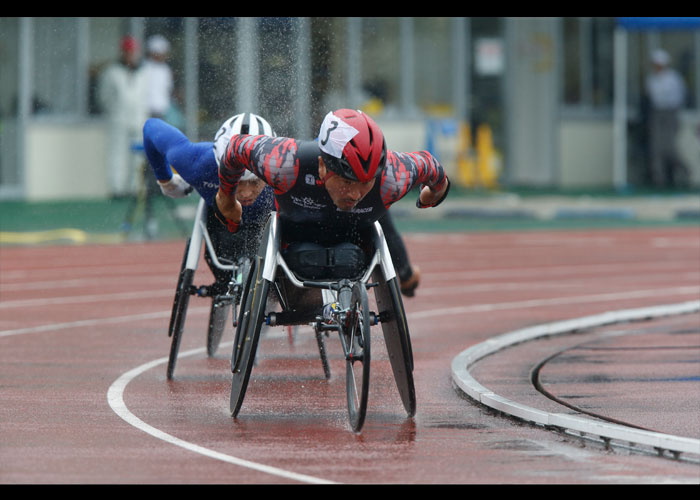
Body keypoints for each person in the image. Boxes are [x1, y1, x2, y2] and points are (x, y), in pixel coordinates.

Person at [213, 108, 448, 291]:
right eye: (347, 182)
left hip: (355, 241)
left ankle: (404, 275)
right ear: (322, 166)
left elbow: (433, 169)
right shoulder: (285, 162)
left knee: (380, 218)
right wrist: (226, 198)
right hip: (295, 238)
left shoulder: (394, 176)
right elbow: (235, 147)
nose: (355, 194)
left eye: (366, 182)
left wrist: (432, 196)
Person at [143, 113, 276, 287]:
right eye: (237, 182)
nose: (245, 192)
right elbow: (150, 128)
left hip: (273, 224)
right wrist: (166, 180)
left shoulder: (285, 170)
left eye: (254, 181)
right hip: (220, 224)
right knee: (221, 267)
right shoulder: (197, 164)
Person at [98, 35, 148, 197]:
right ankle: (117, 188)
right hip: (118, 119)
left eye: (133, 52)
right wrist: (115, 111)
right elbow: (104, 97)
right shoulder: (112, 72)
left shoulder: (143, 72)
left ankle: (135, 188)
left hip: (138, 119)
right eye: (128, 52)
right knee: (117, 153)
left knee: (138, 155)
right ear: (122, 52)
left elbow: (146, 97)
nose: (131, 55)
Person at [645, 49, 689, 188]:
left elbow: (680, 95)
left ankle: (684, 171)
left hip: (671, 112)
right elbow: (652, 97)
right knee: (656, 147)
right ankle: (659, 179)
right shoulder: (651, 79)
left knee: (670, 147)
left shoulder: (674, 78)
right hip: (657, 113)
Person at [143, 34, 174, 120]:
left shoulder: (165, 69)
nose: (164, 55)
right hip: (146, 111)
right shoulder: (144, 68)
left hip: (162, 112)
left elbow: (168, 89)